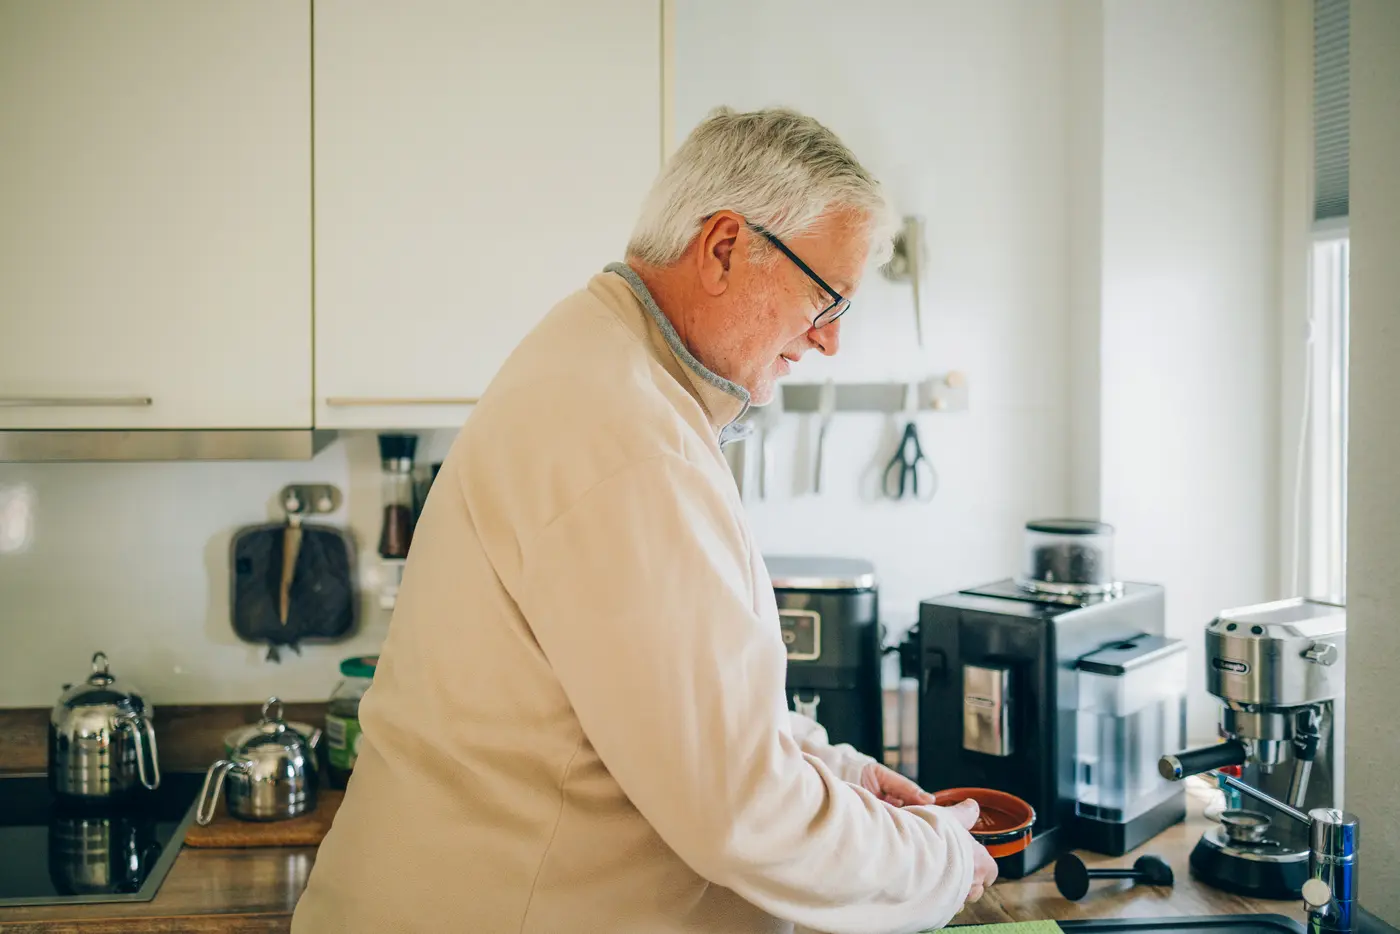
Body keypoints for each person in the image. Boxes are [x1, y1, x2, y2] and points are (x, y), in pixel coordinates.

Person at [291, 106, 997, 934]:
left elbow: (674, 708)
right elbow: (741, 811)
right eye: (825, 299)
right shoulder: (628, 438)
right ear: (724, 248)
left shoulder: (606, 364)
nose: (829, 341)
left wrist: (837, 774)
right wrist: (939, 860)